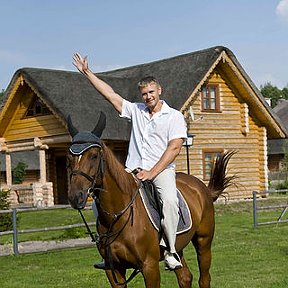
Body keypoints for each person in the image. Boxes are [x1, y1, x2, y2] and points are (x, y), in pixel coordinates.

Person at [73, 53, 187, 270]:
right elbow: (111, 95)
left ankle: (171, 250)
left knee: (170, 202)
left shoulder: (174, 116)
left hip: (160, 171)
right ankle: (107, 250)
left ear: (159, 91)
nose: (148, 97)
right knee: (99, 204)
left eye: (151, 92)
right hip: (131, 171)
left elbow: (174, 149)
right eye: (144, 94)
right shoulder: (136, 110)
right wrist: (88, 72)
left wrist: (152, 173)